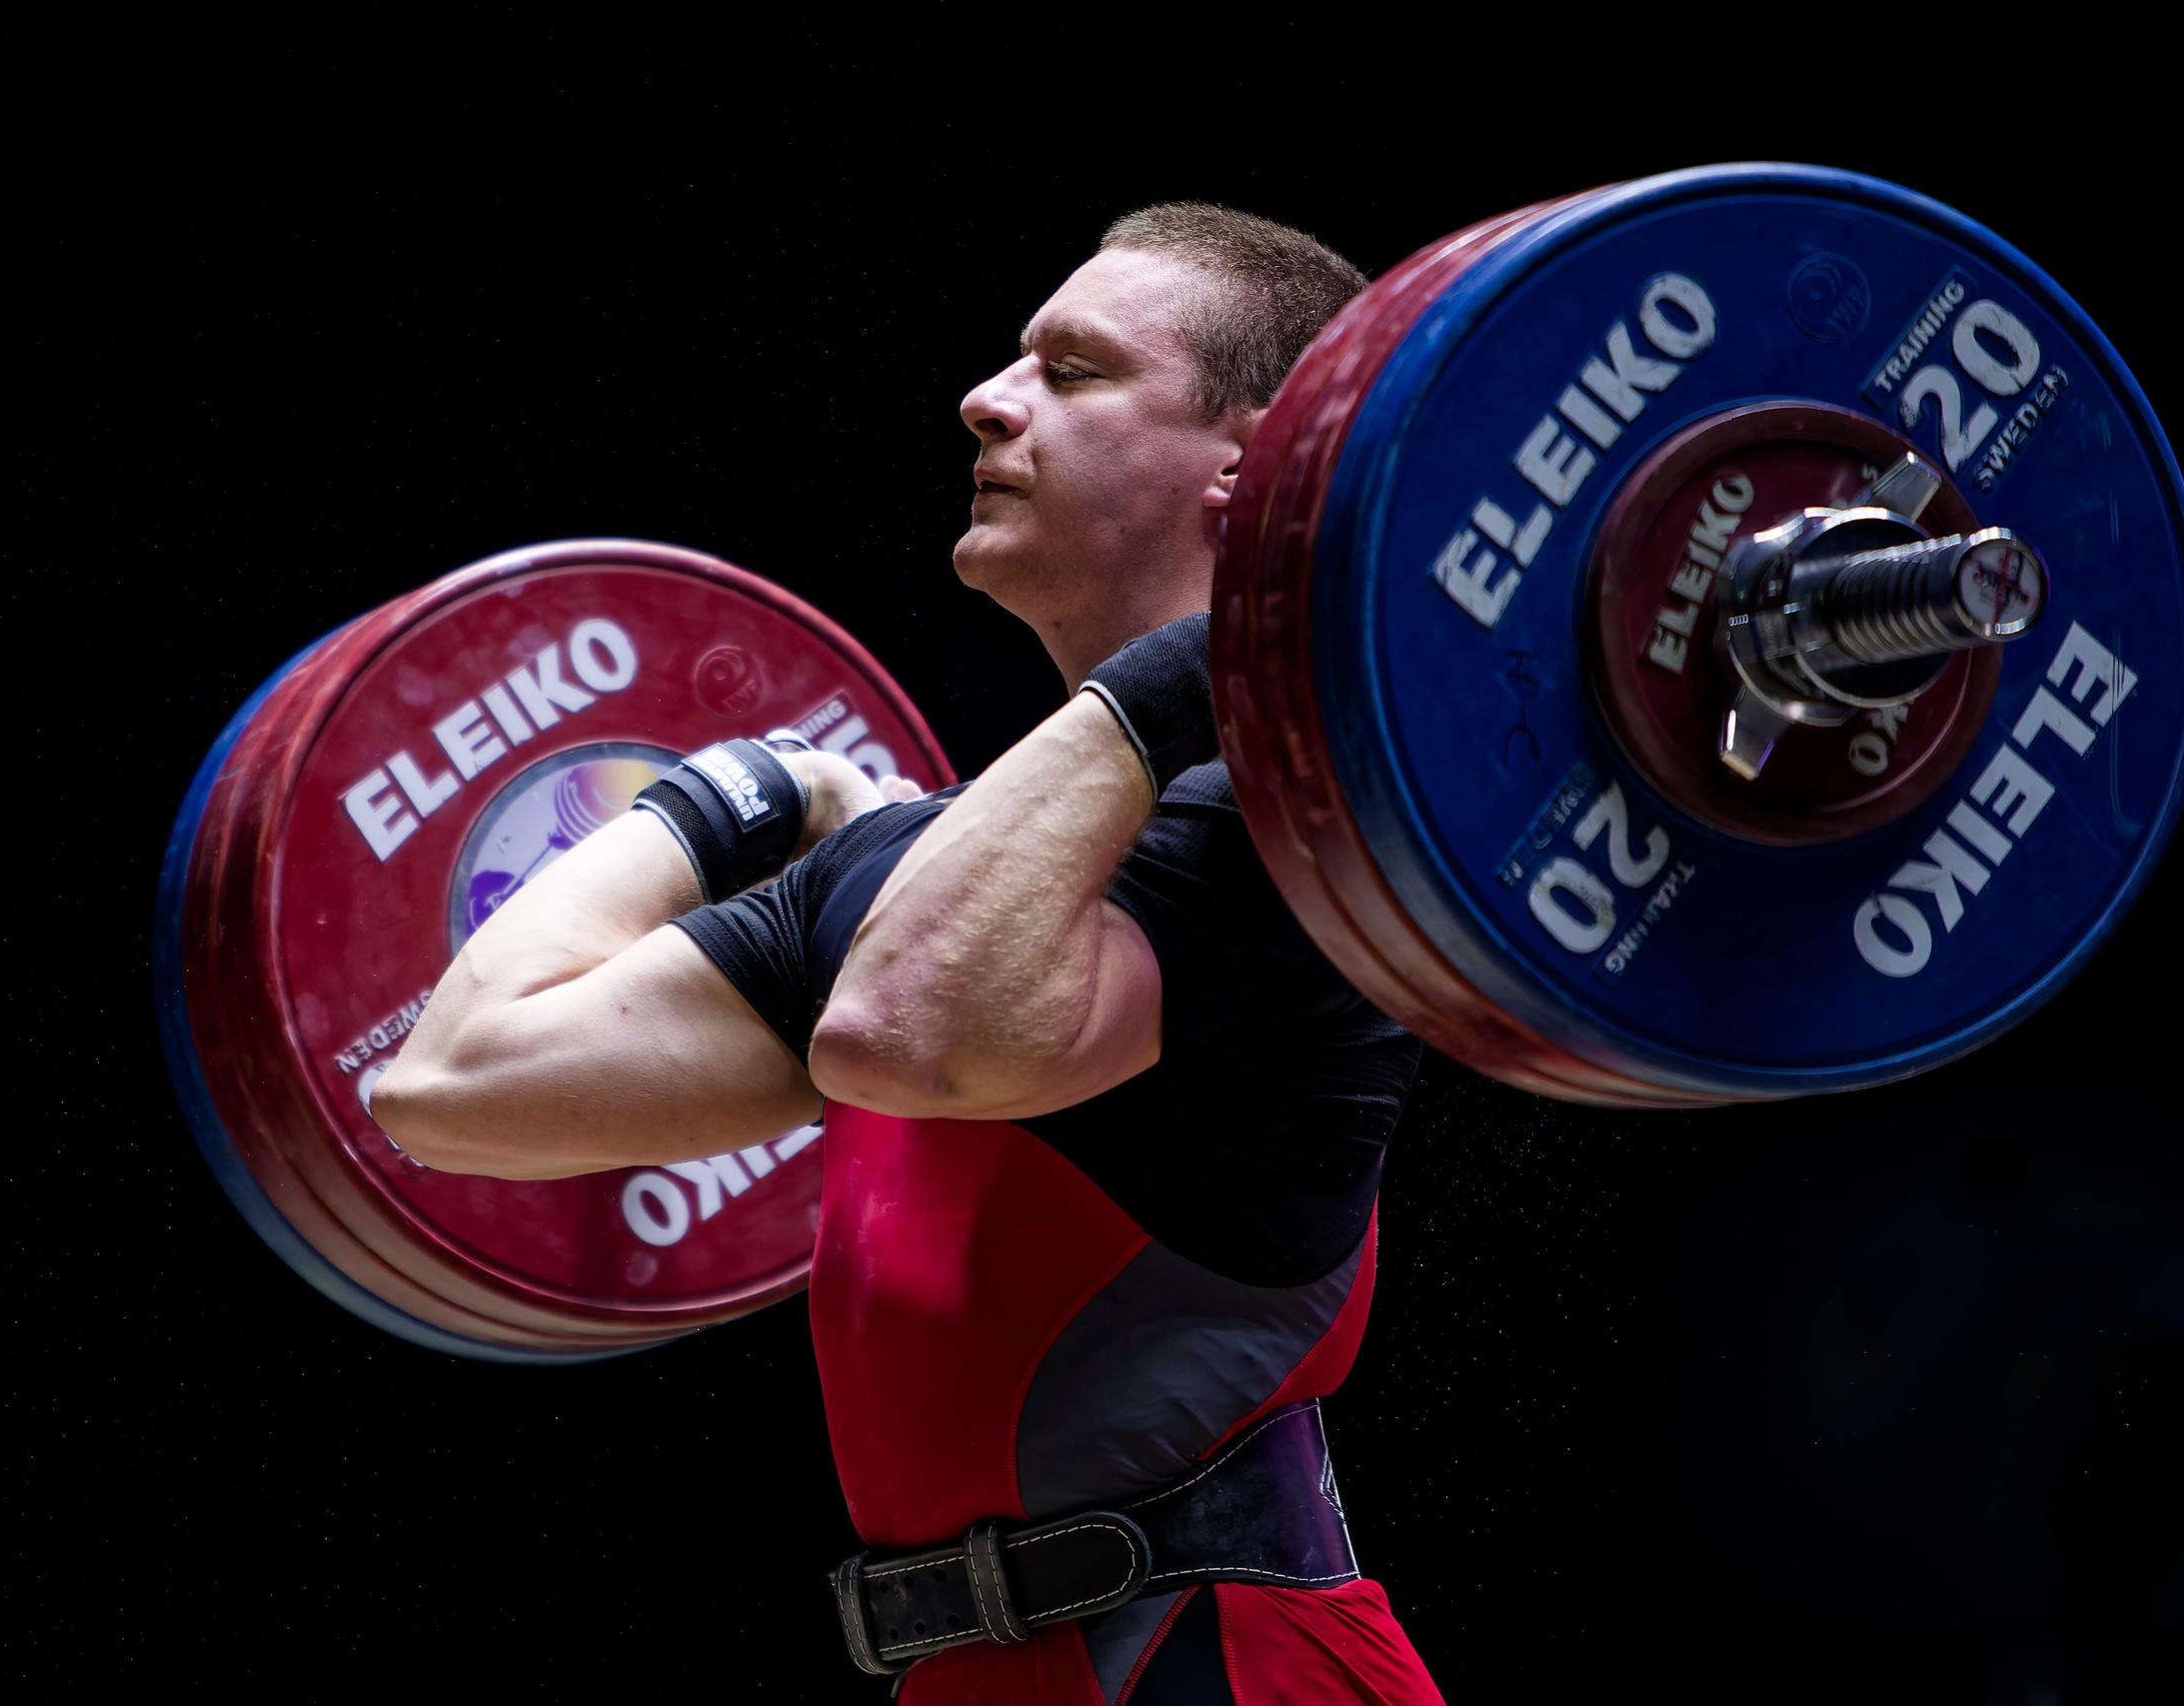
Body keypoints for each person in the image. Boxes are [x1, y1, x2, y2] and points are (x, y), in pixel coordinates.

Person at [376, 204, 1444, 1704]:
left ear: (1250, 469)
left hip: (1216, 1661)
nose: (988, 398)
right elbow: (454, 1085)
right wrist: (744, 793)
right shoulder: (921, 871)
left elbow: (907, 1031)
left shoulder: (1298, 835)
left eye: (1071, 372)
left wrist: (1236, 641)